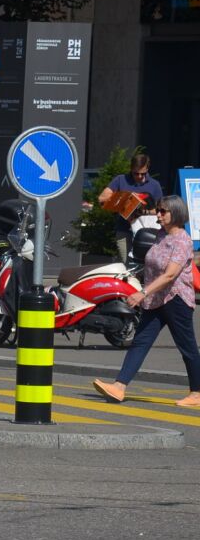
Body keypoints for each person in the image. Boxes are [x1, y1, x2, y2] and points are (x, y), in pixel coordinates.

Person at [94, 195, 200, 408]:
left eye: (163, 212)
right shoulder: (161, 235)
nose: (159, 215)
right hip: (156, 299)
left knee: (187, 347)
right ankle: (119, 386)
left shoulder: (182, 241)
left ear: (176, 214)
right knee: (140, 342)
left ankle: (197, 393)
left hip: (175, 299)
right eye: (158, 210)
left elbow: (170, 275)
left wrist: (142, 292)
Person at [99, 153, 164, 264]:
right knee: (124, 263)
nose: (139, 176)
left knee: (146, 263)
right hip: (124, 229)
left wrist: (144, 212)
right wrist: (122, 198)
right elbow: (102, 199)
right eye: (135, 173)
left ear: (148, 169)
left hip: (146, 231)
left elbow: (161, 209)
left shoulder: (154, 185)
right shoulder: (120, 180)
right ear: (131, 169)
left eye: (143, 174)